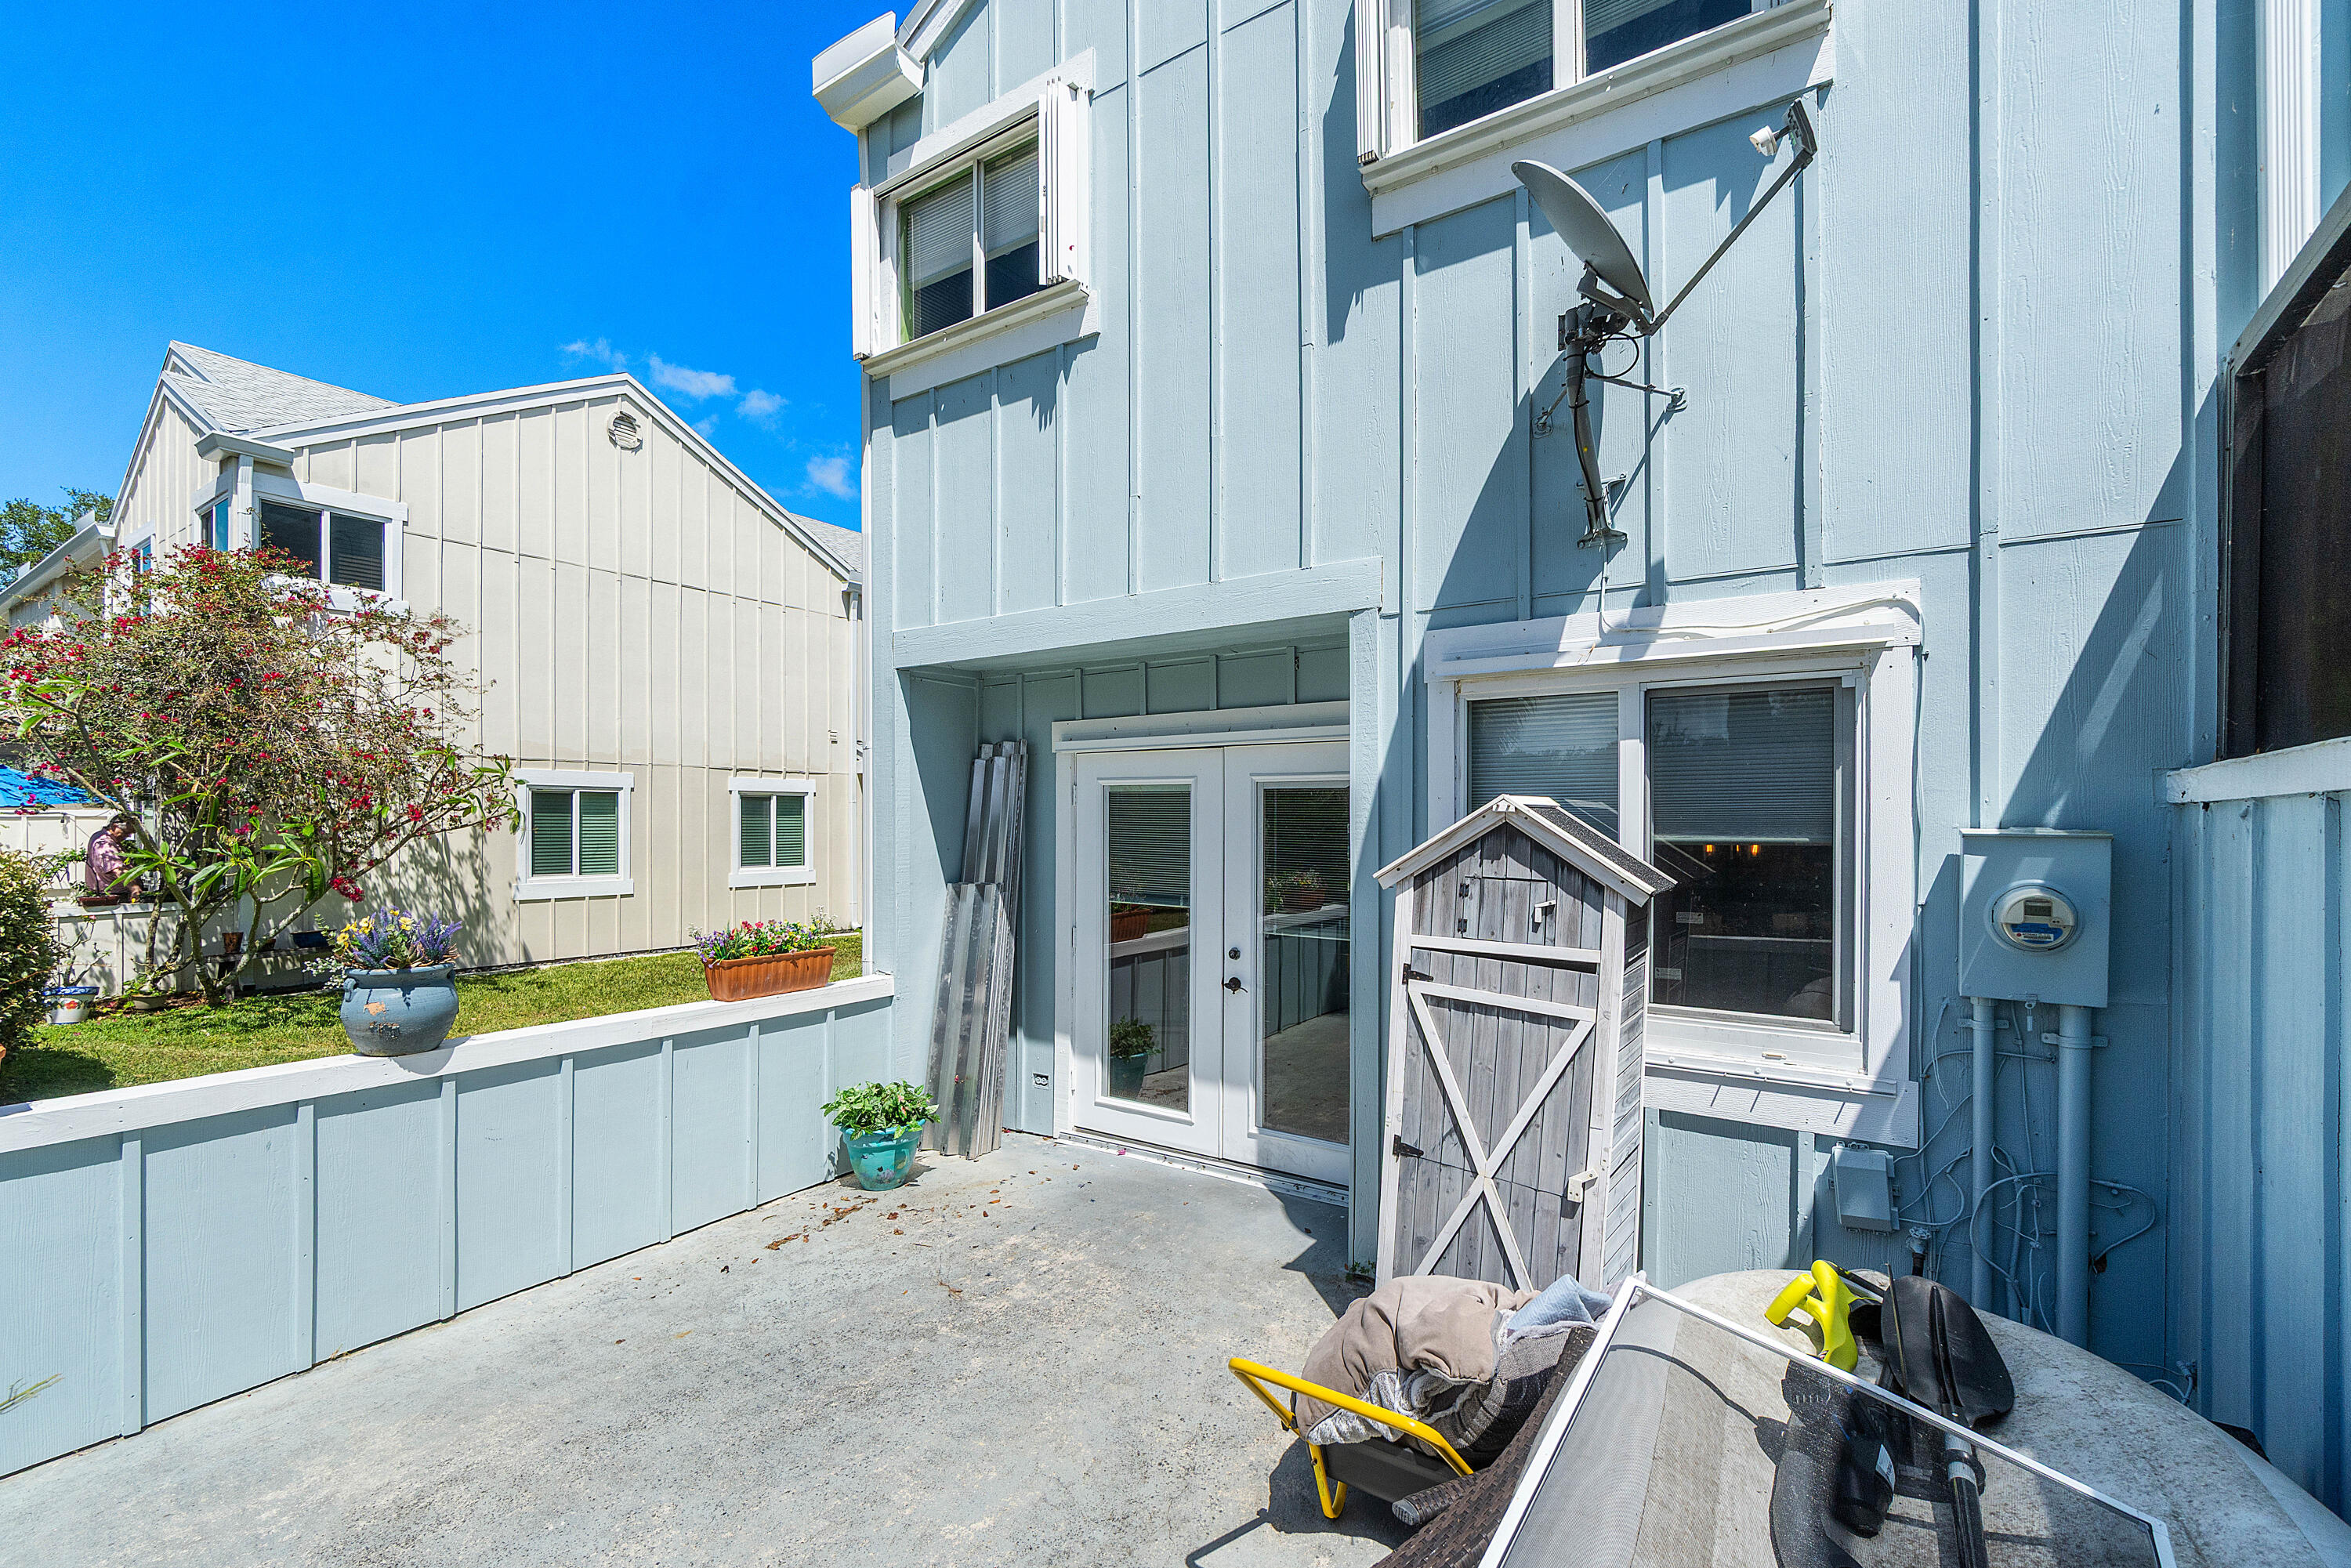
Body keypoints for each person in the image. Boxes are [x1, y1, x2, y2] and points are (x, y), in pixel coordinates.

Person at [85, 814, 136, 897]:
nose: (128, 836)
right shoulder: (104, 843)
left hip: (110, 893)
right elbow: (117, 869)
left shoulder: (101, 836)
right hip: (112, 895)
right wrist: (134, 888)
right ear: (114, 827)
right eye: (126, 833)